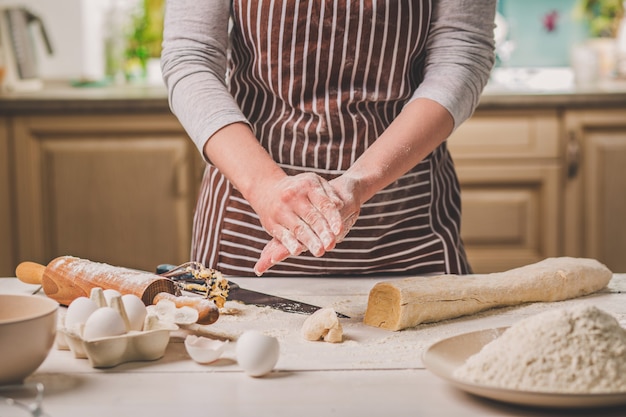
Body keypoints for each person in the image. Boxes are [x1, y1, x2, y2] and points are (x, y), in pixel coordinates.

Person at [161, 0, 497, 277]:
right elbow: (191, 56)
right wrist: (265, 186)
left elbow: (461, 54)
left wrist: (361, 181)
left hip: (405, 230)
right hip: (246, 230)